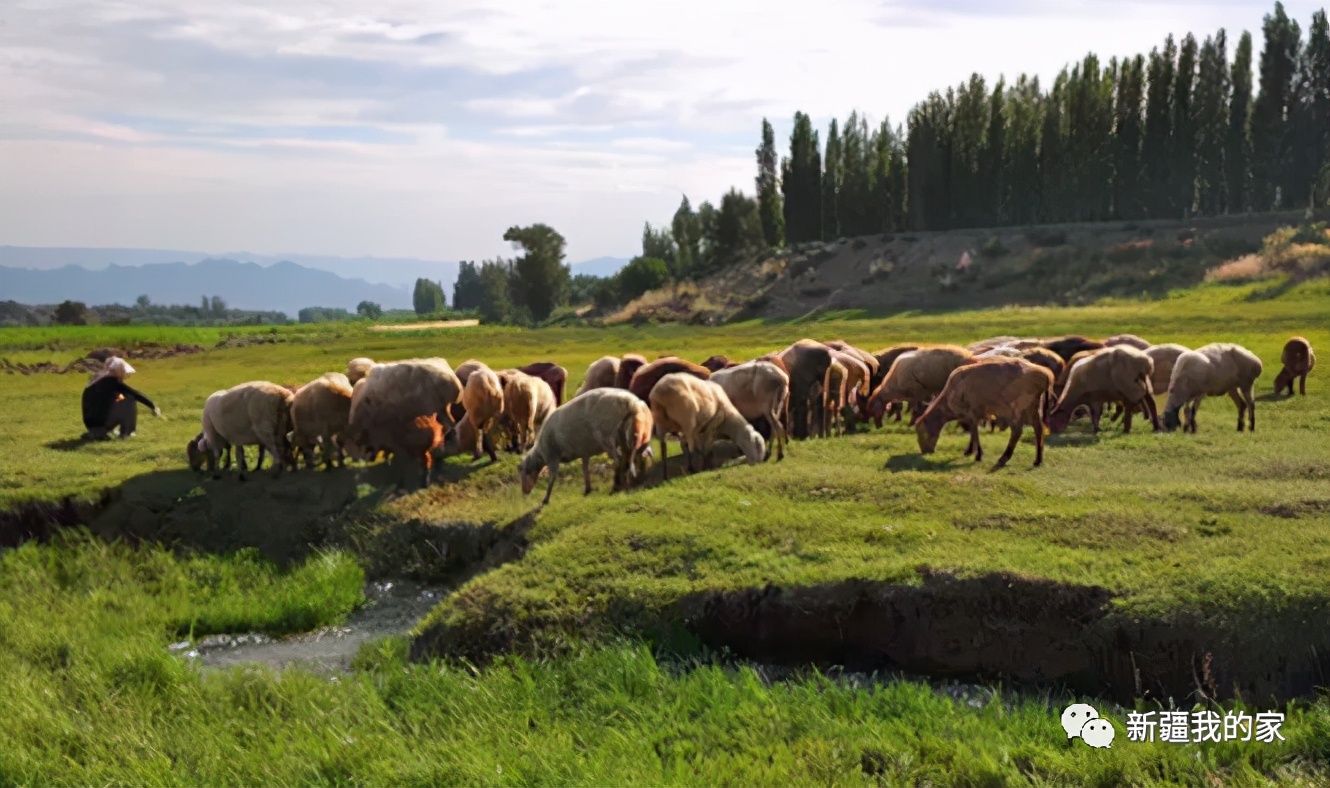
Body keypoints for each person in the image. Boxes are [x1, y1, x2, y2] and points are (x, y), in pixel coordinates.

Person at [81, 356, 162, 440]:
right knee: (128, 398)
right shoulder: (111, 381)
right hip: (102, 423)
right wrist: (153, 406)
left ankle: (99, 432)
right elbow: (135, 394)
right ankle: (126, 432)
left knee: (122, 397)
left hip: (91, 423)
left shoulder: (96, 381)